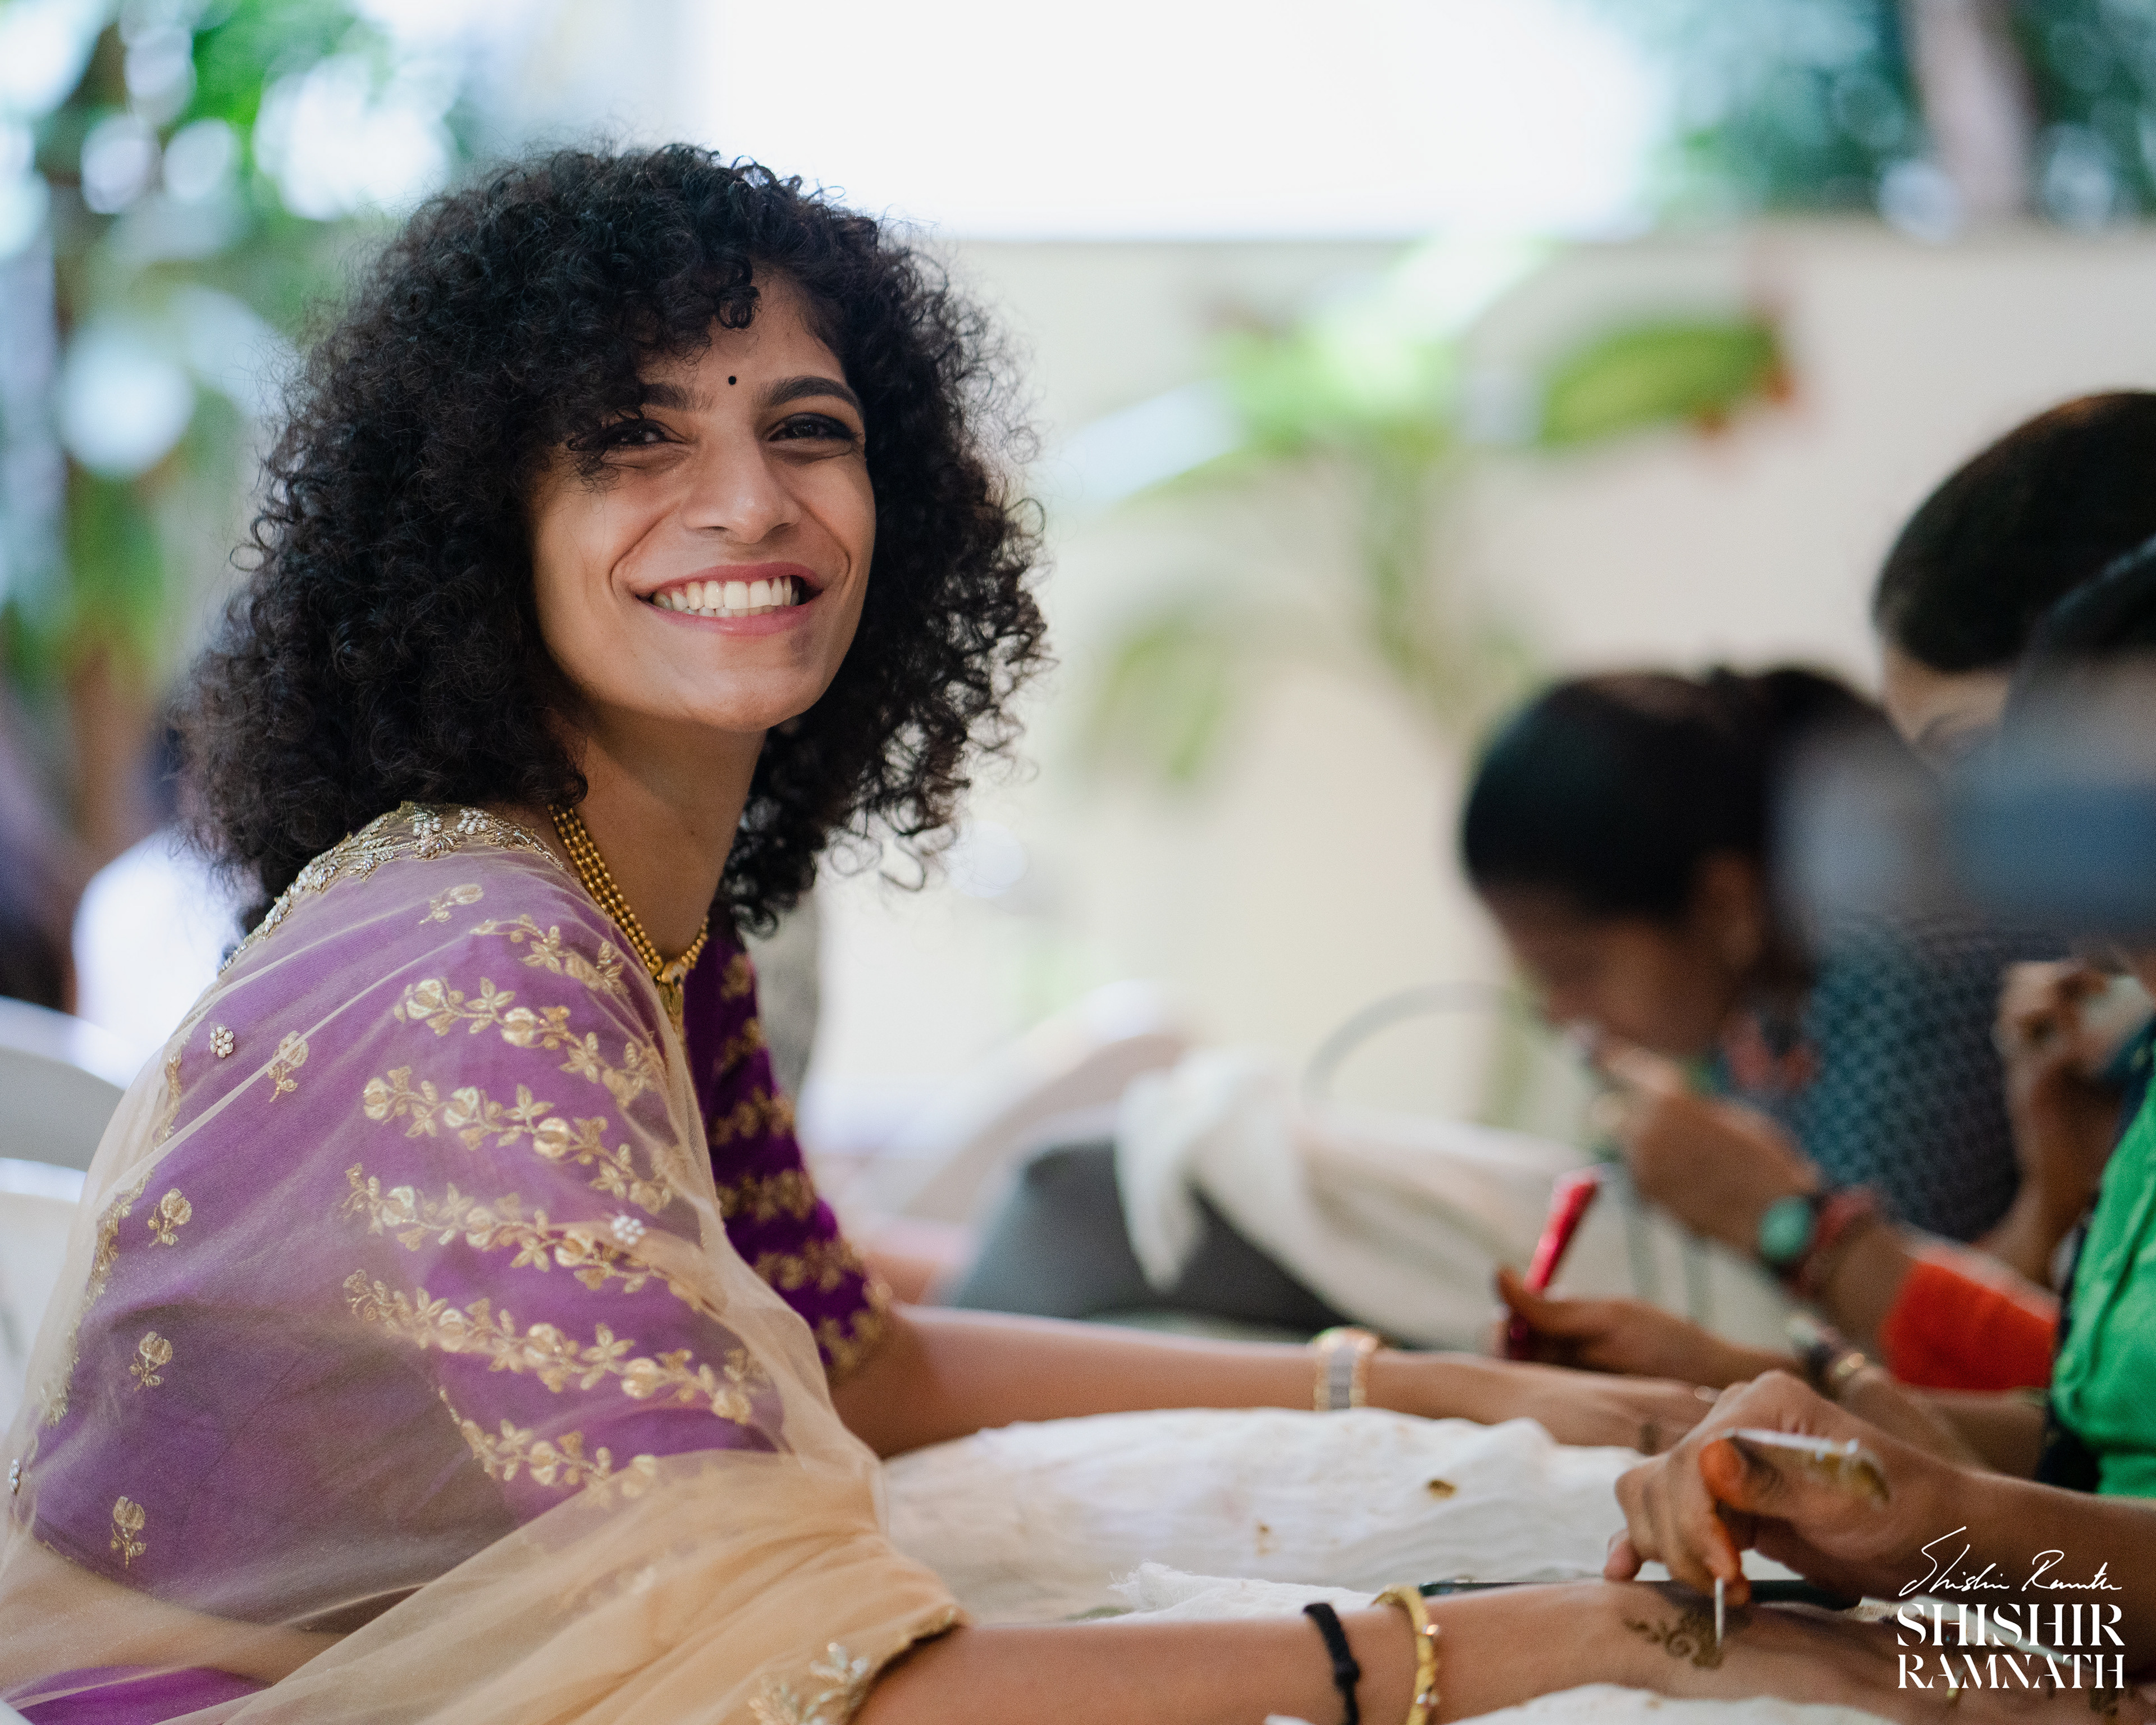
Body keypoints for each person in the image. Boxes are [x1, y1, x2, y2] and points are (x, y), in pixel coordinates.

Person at [1, 146, 1801, 1725]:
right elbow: (818, 1686)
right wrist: (1585, 1643)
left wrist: (1421, 1381)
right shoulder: (485, 959)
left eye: (809, 430)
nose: (750, 503)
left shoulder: (634, 915)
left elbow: (857, 1353)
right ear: (482, 527)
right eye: (633, 440)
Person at [1611, 592, 2156, 1694]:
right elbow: (2081, 1432)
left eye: (1994, 778)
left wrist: (1792, 1231)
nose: (2040, 911)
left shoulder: (1900, 957)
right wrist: (1761, 1384)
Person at [1461, 667, 2043, 1257]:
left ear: (1722, 902)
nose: (1561, 1014)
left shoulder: (1895, 956)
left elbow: (1878, 1302)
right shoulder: (1764, 974)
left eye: (1575, 969)